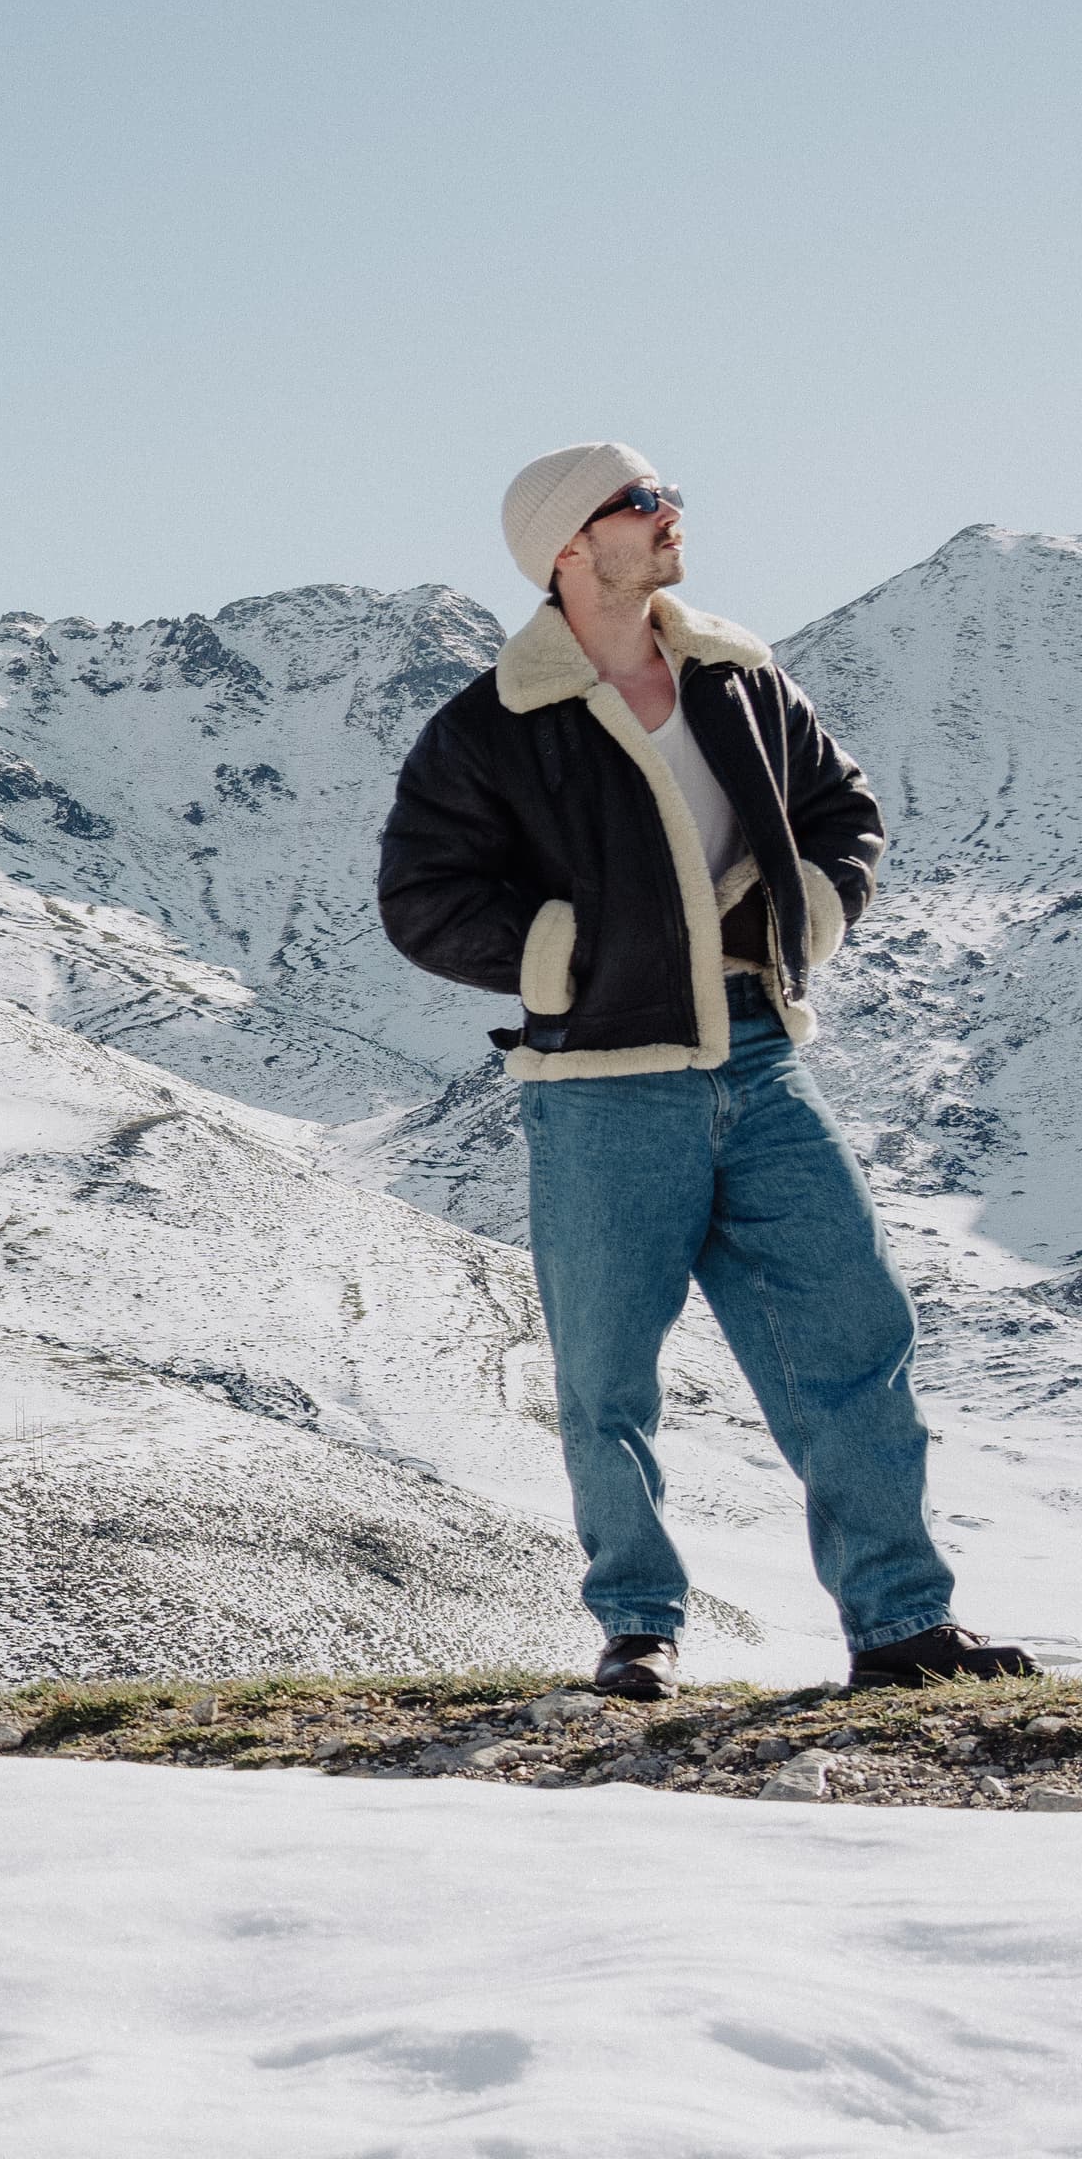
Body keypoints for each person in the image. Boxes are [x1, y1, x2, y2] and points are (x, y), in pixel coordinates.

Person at [375, 441, 1036, 1700]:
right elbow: (422, 900)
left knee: (856, 1339)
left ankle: (900, 1627)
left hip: (765, 1061)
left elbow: (844, 811)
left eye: (662, 494)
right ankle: (638, 1631)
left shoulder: (738, 674)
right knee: (609, 1381)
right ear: (570, 548)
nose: (668, 513)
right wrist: (566, 954)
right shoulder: (492, 725)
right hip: (604, 1081)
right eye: (638, 503)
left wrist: (811, 920)